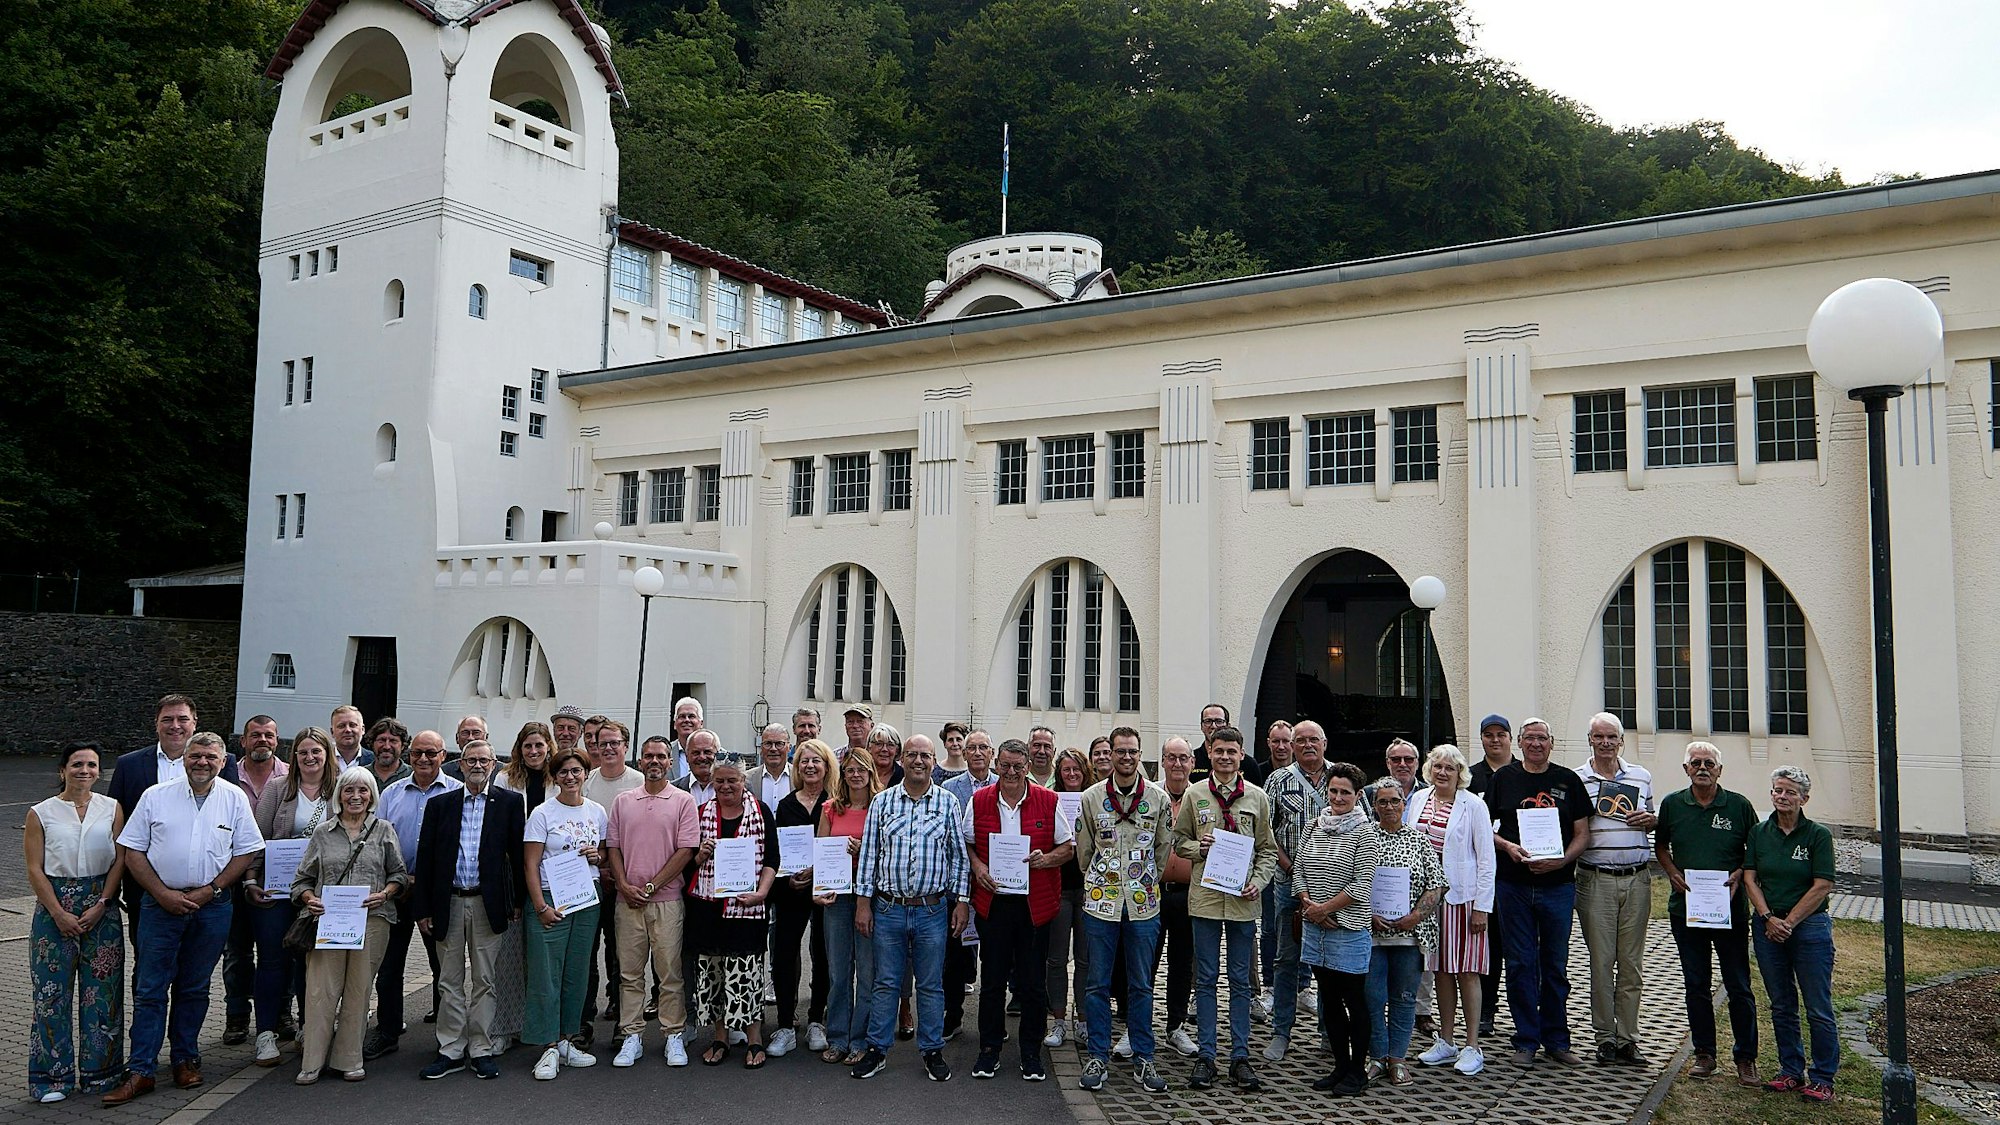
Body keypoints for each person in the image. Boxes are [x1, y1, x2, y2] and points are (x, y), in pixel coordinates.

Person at [104, 732, 264, 1105]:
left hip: (212, 906)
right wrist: (161, 893)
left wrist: (211, 890)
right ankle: (141, 1070)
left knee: (194, 988)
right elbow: (132, 851)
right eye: (196, 755)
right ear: (185, 758)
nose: (202, 762)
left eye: (210, 756)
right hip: (160, 906)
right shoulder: (156, 796)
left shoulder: (234, 798)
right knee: (150, 989)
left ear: (223, 761)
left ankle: (184, 1059)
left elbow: (245, 854)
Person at [850, 734, 970, 1081]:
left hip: (932, 910)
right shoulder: (882, 803)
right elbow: (870, 855)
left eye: (926, 756)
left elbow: (958, 859)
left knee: (931, 984)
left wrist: (961, 902)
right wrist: (863, 903)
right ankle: (877, 1049)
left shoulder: (948, 803)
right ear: (903, 759)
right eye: (913, 755)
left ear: (934, 761)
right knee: (886, 982)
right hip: (889, 908)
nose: (919, 761)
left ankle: (932, 1049)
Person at [411, 740, 526, 1080]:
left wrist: (517, 902)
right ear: (460, 765)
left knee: (484, 980)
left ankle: (480, 1046)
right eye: (471, 760)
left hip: (487, 903)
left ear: (494, 764)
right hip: (448, 902)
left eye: (484, 760)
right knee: (449, 979)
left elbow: (517, 858)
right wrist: (423, 909)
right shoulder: (440, 804)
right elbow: (427, 858)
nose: (477, 765)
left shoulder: (509, 802)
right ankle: (450, 1049)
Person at [1175, 725, 1279, 1092]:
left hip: (1242, 902)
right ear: (1209, 751)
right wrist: (1196, 850)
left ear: (1240, 754)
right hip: (1204, 899)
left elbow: (1267, 848)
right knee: (1204, 980)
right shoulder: (1194, 794)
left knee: (1240, 981)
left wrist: (1260, 881)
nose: (1224, 757)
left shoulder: (1256, 797)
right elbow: (1178, 840)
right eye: (1218, 751)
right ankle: (1206, 1055)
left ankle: (1239, 1056)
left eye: (1231, 752)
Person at [291, 766, 410, 1083]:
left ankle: (348, 1059)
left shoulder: (383, 829)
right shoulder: (322, 833)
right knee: (320, 992)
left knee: (358, 992)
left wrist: (385, 893)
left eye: (363, 790)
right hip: (327, 923)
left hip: (372, 922)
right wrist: (308, 898)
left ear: (372, 796)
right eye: (349, 790)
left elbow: (399, 874)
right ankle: (312, 1062)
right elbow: (302, 879)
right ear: (339, 795)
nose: (356, 796)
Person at [1073, 727, 1174, 1094]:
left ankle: (1144, 1059)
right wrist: (1103, 880)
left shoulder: (1158, 799)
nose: (1126, 758)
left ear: (1140, 754)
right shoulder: (1091, 798)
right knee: (1097, 983)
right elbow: (1084, 853)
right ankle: (1098, 1055)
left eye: (1132, 752)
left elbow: (1163, 849)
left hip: (1144, 904)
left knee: (1142, 985)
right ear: (1110, 755)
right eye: (1120, 752)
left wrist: (1144, 882)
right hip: (1102, 903)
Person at [966, 739, 1073, 1081]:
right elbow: (967, 843)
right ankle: (989, 1049)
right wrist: (978, 867)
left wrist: (1046, 860)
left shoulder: (1048, 799)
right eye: (1006, 765)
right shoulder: (979, 799)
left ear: (1028, 767)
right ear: (996, 764)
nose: (1011, 772)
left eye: (1018, 766)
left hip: (1034, 905)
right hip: (994, 902)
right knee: (993, 980)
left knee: (1031, 983)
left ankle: (1031, 1052)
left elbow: (1067, 848)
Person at [1488, 717, 1592, 1067]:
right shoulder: (1503, 779)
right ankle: (1525, 1041)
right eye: (1529, 738)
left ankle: (1558, 1040)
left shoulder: (1569, 780)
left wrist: (1562, 860)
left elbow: (1582, 835)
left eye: (1542, 738)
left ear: (1552, 742)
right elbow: (1486, 829)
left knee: (1555, 966)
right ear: (1519, 743)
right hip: (1513, 886)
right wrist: (1507, 847)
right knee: (1519, 965)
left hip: (1557, 887)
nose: (1536, 744)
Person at [1654, 740, 1759, 1087]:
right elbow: (1661, 845)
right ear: (1686, 769)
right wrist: (1671, 872)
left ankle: (1746, 1059)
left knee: (1738, 984)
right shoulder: (1672, 804)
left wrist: (1739, 874)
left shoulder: (1739, 806)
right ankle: (1704, 1054)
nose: (1702, 768)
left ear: (1719, 770)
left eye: (1709, 763)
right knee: (1696, 984)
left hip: (1730, 910)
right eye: (1695, 762)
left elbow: (1754, 851)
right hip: (1687, 910)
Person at [27, 742, 126, 1102]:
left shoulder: (112, 808)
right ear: (62, 770)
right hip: (55, 907)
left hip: (101, 906)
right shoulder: (41, 813)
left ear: (99, 771)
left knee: (103, 993)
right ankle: (52, 1078)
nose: (84, 770)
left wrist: (103, 902)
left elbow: (120, 860)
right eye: (77, 764)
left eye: (92, 765)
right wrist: (56, 911)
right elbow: (34, 868)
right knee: (52, 994)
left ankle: (102, 1073)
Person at [106, 696, 239, 942]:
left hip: (206, 893)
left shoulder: (223, 762)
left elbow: (231, 819)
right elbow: (115, 822)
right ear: (156, 724)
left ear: (195, 723)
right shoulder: (129, 765)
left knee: (194, 972)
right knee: (146, 963)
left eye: (182, 719)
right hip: (144, 887)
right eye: (167, 719)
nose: (175, 725)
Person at [1743, 766, 1837, 1104]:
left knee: (1817, 1006)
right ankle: (1790, 1070)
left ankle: (1823, 1077)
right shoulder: (1759, 832)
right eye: (1777, 791)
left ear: (1804, 798)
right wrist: (1768, 917)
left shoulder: (1818, 836)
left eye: (1790, 792)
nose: (1782, 797)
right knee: (1781, 1004)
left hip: (1809, 928)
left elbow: (1822, 884)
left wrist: (1790, 922)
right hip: (1768, 927)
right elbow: (1750, 878)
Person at [604, 735, 699, 1068]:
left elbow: (686, 850)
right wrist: (624, 884)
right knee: (629, 973)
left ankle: (673, 1034)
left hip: (667, 900)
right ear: (640, 761)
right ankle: (632, 1035)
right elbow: (613, 847)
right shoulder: (623, 801)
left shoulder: (683, 801)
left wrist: (652, 885)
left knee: (669, 973)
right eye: (648, 756)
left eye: (661, 756)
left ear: (671, 761)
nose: (655, 761)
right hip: (627, 901)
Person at [369, 729, 461, 1061]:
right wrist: (398, 880)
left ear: (444, 756)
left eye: (431, 753)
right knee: (389, 966)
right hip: (397, 892)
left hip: (438, 894)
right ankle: (387, 1031)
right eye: (418, 753)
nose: (424, 759)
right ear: (409, 756)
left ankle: (446, 1037)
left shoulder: (458, 793)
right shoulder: (391, 794)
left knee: (443, 966)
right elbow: (375, 843)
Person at [246, 727, 336, 1067]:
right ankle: (266, 1034)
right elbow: (257, 838)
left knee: (310, 960)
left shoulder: (339, 789)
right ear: (294, 757)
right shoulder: (277, 788)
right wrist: (250, 879)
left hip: (319, 893)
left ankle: (306, 1027)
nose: (310, 758)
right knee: (271, 959)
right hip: (277, 890)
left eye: (316, 752)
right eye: (303, 753)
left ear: (326, 755)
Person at [1406, 745, 1496, 1076]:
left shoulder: (1473, 805)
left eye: (1450, 768)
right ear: (1429, 769)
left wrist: (1482, 908)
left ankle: (1473, 1046)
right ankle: (1446, 1041)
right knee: (1440, 970)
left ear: (1460, 773)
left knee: (1467, 971)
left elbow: (1486, 859)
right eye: (1438, 766)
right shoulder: (1418, 799)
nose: (1443, 772)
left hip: (1463, 899)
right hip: (1428, 901)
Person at [1292, 762, 1378, 1097]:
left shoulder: (1365, 832)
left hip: (1348, 928)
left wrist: (1324, 910)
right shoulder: (1312, 827)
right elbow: (1298, 870)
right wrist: (1310, 907)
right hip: (1316, 928)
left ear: (1357, 796)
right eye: (1333, 791)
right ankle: (1340, 1065)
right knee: (1328, 998)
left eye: (1346, 792)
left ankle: (1358, 1071)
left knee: (1354, 1000)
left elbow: (1361, 884)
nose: (1339, 797)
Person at [1575, 711, 1657, 1066]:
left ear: (1621, 741)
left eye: (1612, 737)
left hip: (1637, 878)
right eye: (1599, 737)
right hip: (1596, 879)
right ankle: (1604, 1037)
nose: (1606, 743)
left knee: (1631, 964)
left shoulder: (1641, 776)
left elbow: (1653, 820)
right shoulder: (1577, 779)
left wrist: (1651, 820)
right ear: (1589, 740)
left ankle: (1629, 1039)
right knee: (1601, 962)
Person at [522, 748, 609, 1079]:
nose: (570, 777)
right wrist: (540, 907)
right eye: (563, 772)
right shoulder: (543, 814)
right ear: (554, 777)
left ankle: (564, 1041)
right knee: (547, 973)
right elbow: (530, 864)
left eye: (576, 771)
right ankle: (545, 1046)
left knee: (576, 972)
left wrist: (597, 856)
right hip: (550, 898)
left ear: (586, 773)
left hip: (586, 898)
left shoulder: (597, 811)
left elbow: (602, 852)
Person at [686, 759, 778, 1068]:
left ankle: (754, 1040)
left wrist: (763, 893)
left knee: (747, 974)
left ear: (743, 783)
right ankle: (720, 1037)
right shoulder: (700, 815)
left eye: (732, 781)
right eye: (720, 781)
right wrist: (700, 856)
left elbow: (772, 860)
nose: (726, 786)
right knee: (714, 975)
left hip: (747, 908)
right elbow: (686, 864)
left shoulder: (761, 813)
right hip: (708, 910)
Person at [1363, 777, 1445, 1088]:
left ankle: (1397, 1058)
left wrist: (1415, 915)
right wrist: (1367, 915)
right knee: (1372, 998)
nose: (1389, 807)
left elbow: (1436, 884)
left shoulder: (1420, 840)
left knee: (1404, 997)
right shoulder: (1363, 838)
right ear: (1374, 806)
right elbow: (1350, 881)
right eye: (1382, 801)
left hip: (1409, 935)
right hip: (1371, 934)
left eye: (1394, 801)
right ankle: (1377, 1057)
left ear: (1404, 803)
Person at [1262, 718, 1332, 1062]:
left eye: (1313, 739)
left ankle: (1328, 1031)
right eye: (1300, 740)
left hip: (1334, 889)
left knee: (1329, 961)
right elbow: (1267, 834)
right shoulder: (1279, 780)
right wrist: (1292, 870)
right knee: (1286, 959)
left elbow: (1363, 826)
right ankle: (1281, 1032)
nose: (1307, 745)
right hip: (1289, 883)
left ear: (1324, 742)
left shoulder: (1341, 778)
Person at [221, 715, 285, 1047]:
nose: (262, 740)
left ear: (277, 741)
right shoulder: (226, 776)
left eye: (268, 735)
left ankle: (281, 1013)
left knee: (278, 950)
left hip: (278, 880)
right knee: (238, 951)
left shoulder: (290, 776)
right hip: (233, 876)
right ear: (243, 741)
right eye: (255, 735)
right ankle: (236, 1015)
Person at [490, 722, 556, 1049]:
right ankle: (504, 1027)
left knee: (541, 957)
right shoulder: (504, 779)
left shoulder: (558, 779)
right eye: (528, 746)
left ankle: (536, 1023)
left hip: (551, 877)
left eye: (539, 746)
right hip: (514, 871)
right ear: (520, 748)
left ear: (548, 748)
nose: (533, 752)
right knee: (509, 957)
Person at [815, 746, 881, 1064]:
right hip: (838, 897)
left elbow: (888, 856)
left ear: (871, 774)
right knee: (839, 972)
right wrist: (819, 890)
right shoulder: (830, 808)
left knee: (868, 973)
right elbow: (822, 854)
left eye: (861, 770)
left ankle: (861, 1039)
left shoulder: (881, 808)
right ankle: (838, 1037)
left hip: (872, 896)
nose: (856, 775)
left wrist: (863, 849)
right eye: (850, 770)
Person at [582, 720, 644, 1044]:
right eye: (600, 742)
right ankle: (583, 1024)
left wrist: (618, 875)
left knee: (622, 958)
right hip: (589, 884)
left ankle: (624, 1023)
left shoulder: (639, 783)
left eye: (614, 742)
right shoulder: (585, 782)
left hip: (625, 884)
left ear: (625, 746)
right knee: (586, 957)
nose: (607, 748)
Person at [770, 739, 833, 1056]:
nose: (810, 766)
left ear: (826, 766)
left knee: (823, 954)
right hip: (791, 889)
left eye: (816, 761)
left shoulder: (833, 802)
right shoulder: (786, 805)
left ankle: (816, 1020)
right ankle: (784, 1024)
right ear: (797, 768)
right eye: (804, 761)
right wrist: (791, 877)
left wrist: (817, 871)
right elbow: (781, 852)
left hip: (825, 891)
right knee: (784, 953)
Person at [1043, 746, 1094, 1051]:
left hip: (1090, 888)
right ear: (1058, 773)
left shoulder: (1095, 798)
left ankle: (1084, 1020)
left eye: (1076, 769)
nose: (1072, 774)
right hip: (1060, 886)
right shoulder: (1050, 799)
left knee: (1087, 959)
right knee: (1056, 958)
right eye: (1066, 770)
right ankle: (1059, 1020)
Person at [1467, 713, 1515, 1038]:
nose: (1495, 740)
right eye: (1488, 734)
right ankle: (1486, 1011)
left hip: (1519, 873)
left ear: (1510, 738)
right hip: (1482, 875)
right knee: (1488, 947)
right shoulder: (1470, 778)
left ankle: (1526, 1015)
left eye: (1501, 734)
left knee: (1521, 949)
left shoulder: (1524, 774)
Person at [1154, 738, 1199, 1057]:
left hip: (1189, 894)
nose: (1178, 764)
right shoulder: (1150, 795)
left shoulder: (1202, 798)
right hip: (1152, 893)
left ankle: (1176, 1027)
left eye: (1184, 758)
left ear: (1192, 763)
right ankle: (1136, 1027)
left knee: (1182, 964)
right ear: (1162, 761)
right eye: (1171, 757)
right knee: (1144, 963)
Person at [746, 724, 795, 813]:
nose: (773, 749)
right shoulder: (747, 779)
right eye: (768, 743)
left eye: (779, 744)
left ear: (789, 748)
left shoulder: (800, 776)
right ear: (761, 748)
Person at [674, 730, 721, 806]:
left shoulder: (732, 789)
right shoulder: (673, 790)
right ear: (687, 756)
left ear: (718, 754)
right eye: (696, 753)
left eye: (707, 752)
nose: (702, 757)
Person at [367, 717, 412, 788]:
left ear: (403, 745)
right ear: (372, 743)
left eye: (393, 741)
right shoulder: (361, 775)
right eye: (382, 740)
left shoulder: (413, 776)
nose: (386, 747)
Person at [667, 698, 706, 778]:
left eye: (691, 716)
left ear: (701, 723)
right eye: (682, 716)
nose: (686, 720)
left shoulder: (716, 754)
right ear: (675, 724)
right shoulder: (665, 753)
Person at [865, 723, 906, 792]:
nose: (884, 749)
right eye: (879, 744)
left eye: (890, 745)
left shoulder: (904, 777)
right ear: (870, 748)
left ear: (897, 750)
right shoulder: (860, 773)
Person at [329, 705, 371, 771]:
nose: (347, 730)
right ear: (332, 732)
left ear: (362, 729)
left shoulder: (374, 761)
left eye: (352, 725)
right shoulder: (324, 760)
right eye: (341, 726)